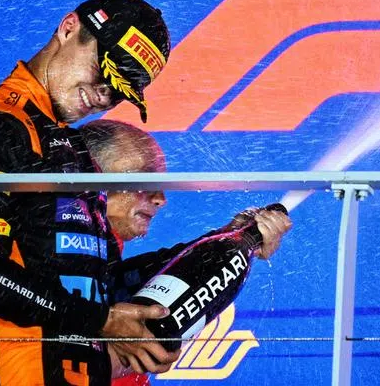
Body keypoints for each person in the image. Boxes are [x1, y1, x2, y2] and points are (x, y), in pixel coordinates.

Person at [0, 0, 183, 385]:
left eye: (119, 90)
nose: (104, 93)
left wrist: (226, 243)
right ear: (69, 28)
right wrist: (101, 319)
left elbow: (98, 278)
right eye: (102, 71)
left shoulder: (72, 145)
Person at [79, 119, 291, 385]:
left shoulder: (96, 256)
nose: (160, 198)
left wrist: (233, 235)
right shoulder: (46, 251)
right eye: (143, 179)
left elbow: (127, 279)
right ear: (89, 173)